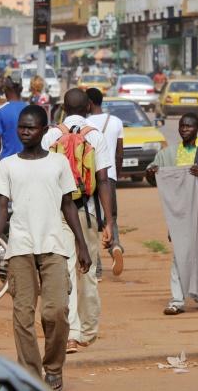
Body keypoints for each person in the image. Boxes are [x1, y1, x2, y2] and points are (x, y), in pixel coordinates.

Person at [0, 105, 91, 390]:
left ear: (44, 130)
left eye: (31, 127)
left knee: (56, 311)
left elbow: (68, 205)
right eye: (21, 127)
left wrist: (82, 245)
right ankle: (31, 376)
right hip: (20, 248)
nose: (24, 132)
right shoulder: (7, 165)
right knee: (22, 316)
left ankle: (53, 368)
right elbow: (1, 209)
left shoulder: (58, 164)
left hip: (54, 246)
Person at [41, 88, 115, 355]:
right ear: (87, 109)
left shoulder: (50, 135)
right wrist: (109, 221)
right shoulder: (95, 136)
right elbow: (103, 180)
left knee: (66, 270)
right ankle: (88, 330)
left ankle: (70, 334)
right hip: (87, 211)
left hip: (58, 212)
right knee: (89, 270)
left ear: (63, 106)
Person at [147, 113, 198, 315]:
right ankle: (177, 300)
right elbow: (154, 171)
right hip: (179, 211)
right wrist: (151, 172)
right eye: (182, 126)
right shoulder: (169, 153)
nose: (185, 129)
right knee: (179, 253)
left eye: (189, 126)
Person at [86, 88, 125, 277]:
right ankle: (115, 247)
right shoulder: (116, 121)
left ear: (89, 103)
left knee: (92, 220)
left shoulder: (85, 123)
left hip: (90, 177)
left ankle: (97, 268)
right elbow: (119, 153)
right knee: (111, 218)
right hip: (110, 177)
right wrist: (117, 173)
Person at [0, 77, 27, 183]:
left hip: (7, 165)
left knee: (6, 198)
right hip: (29, 163)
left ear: (7, 90)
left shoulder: (0, 111)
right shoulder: (29, 109)